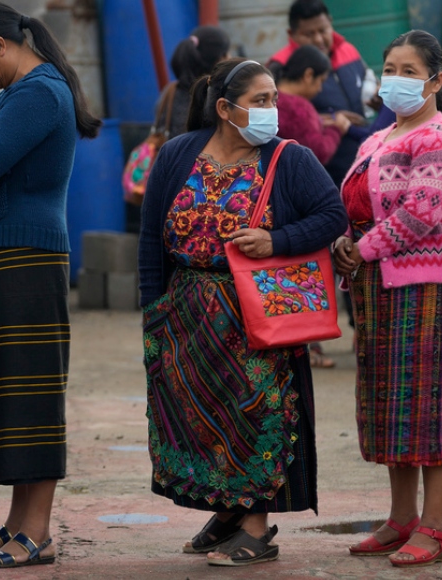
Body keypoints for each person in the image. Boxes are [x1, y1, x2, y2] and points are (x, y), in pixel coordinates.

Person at [138, 58, 347, 566]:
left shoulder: (288, 159)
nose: (271, 110)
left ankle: (255, 528)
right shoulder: (177, 155)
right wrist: (152, 312)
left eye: (273, 99)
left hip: (255, 318)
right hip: (185, 317)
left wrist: (277, 239)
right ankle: (228, 512)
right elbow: (149, 240)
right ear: (226, 108)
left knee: (255, 416)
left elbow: (332, 215)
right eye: (260, 101)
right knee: (196, 421)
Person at [0, 1, 100, 569]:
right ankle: (16, 522)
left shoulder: (38, 93)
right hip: (0, 255)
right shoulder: (17, 95)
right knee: (8, 394)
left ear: (1, 47)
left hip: (25, 260)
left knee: (30, 396)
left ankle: (37, 530)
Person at [332, 30, 442, 568]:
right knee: (390, 404)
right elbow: (359, 206)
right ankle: (401, 518)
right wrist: (347, 244)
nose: (396, 78)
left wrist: (360, 249)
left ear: (435, 80)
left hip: (424, 288)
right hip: (378, 285)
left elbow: (418, 215)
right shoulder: (377, 139)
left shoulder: (441, 140)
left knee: (428, 406)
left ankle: (434, 528)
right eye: (390, 67)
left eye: (409, 70)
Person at [275, 44, 349, 369]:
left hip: (273, 205)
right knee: (312, 273)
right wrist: (336, 129)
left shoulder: (270, 100)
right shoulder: (300, 108)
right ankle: (310, 343)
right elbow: (317, 152)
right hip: (303, 207)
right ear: (307, 75)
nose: (320, 89)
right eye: (319, 82)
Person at [267, 0, 395, 187]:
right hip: (322, 176)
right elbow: (278, 120)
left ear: (331, 23)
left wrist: (376, 97)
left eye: (323, 30)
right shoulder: (280, 67)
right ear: (291, 34)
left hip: (363, 164)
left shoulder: (348, 51)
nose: (318, 39)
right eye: (309, 34)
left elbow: (368, 82)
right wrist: (326, 119)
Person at [165, 26, 231, 139]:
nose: (230, 58)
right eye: (228, 54)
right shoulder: (218, 98)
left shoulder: (170, 91)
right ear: (221, 59)